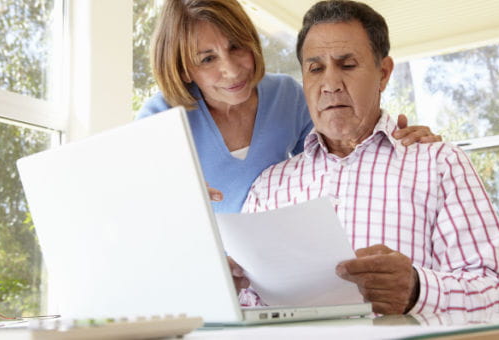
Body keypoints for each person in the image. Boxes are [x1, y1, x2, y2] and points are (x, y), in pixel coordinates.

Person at [240, 0, 499, 315]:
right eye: (315, 68)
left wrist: (417, 290)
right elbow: (247, 306)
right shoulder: (269, 186)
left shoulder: (439, 164)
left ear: (383, 74)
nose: (330, 84)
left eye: (347, 64)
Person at [136, 0, 441, 214]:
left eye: (236, 47)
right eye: (207, 59)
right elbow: (134, 205)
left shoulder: (286, 95)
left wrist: (400, 142)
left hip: (271, 270)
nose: (231, 69)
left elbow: (339, 152)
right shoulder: (161, 118)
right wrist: (167, 197)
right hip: (201, 266)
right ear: (184, 68)